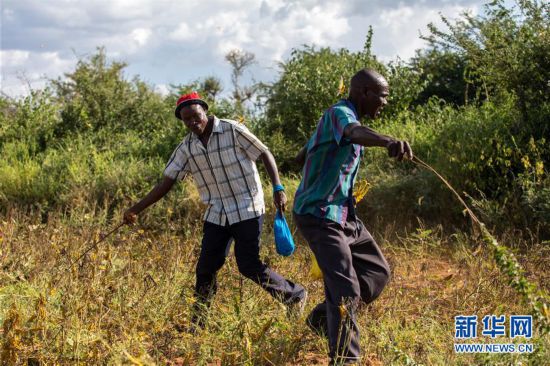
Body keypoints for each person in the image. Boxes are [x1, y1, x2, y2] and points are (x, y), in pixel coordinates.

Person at [124, 91, 306, 329]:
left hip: (247, 207)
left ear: (205, 112)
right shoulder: (187, 147)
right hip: (217, 212)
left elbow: (263, 153)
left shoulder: (232, 129)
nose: (193, 123)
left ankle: (294, 295)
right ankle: (198, 324)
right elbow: (166, 182)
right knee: (206, 268)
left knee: (248, 265)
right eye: (186, 120)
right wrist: (136, 209)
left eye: (196, 116)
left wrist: (278, 187)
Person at [293, 69, 413, 365]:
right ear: (364, 93)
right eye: (382, 96)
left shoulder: (338, 121)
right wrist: (388, 142)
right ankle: (345, 359)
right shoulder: (340, 114)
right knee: (345, 289)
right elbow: (352, 132)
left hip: (345, 215)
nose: (385, 102)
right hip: (319, 214)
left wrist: (309, 155)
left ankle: (322, 319)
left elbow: (304, 152)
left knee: (377, 273)